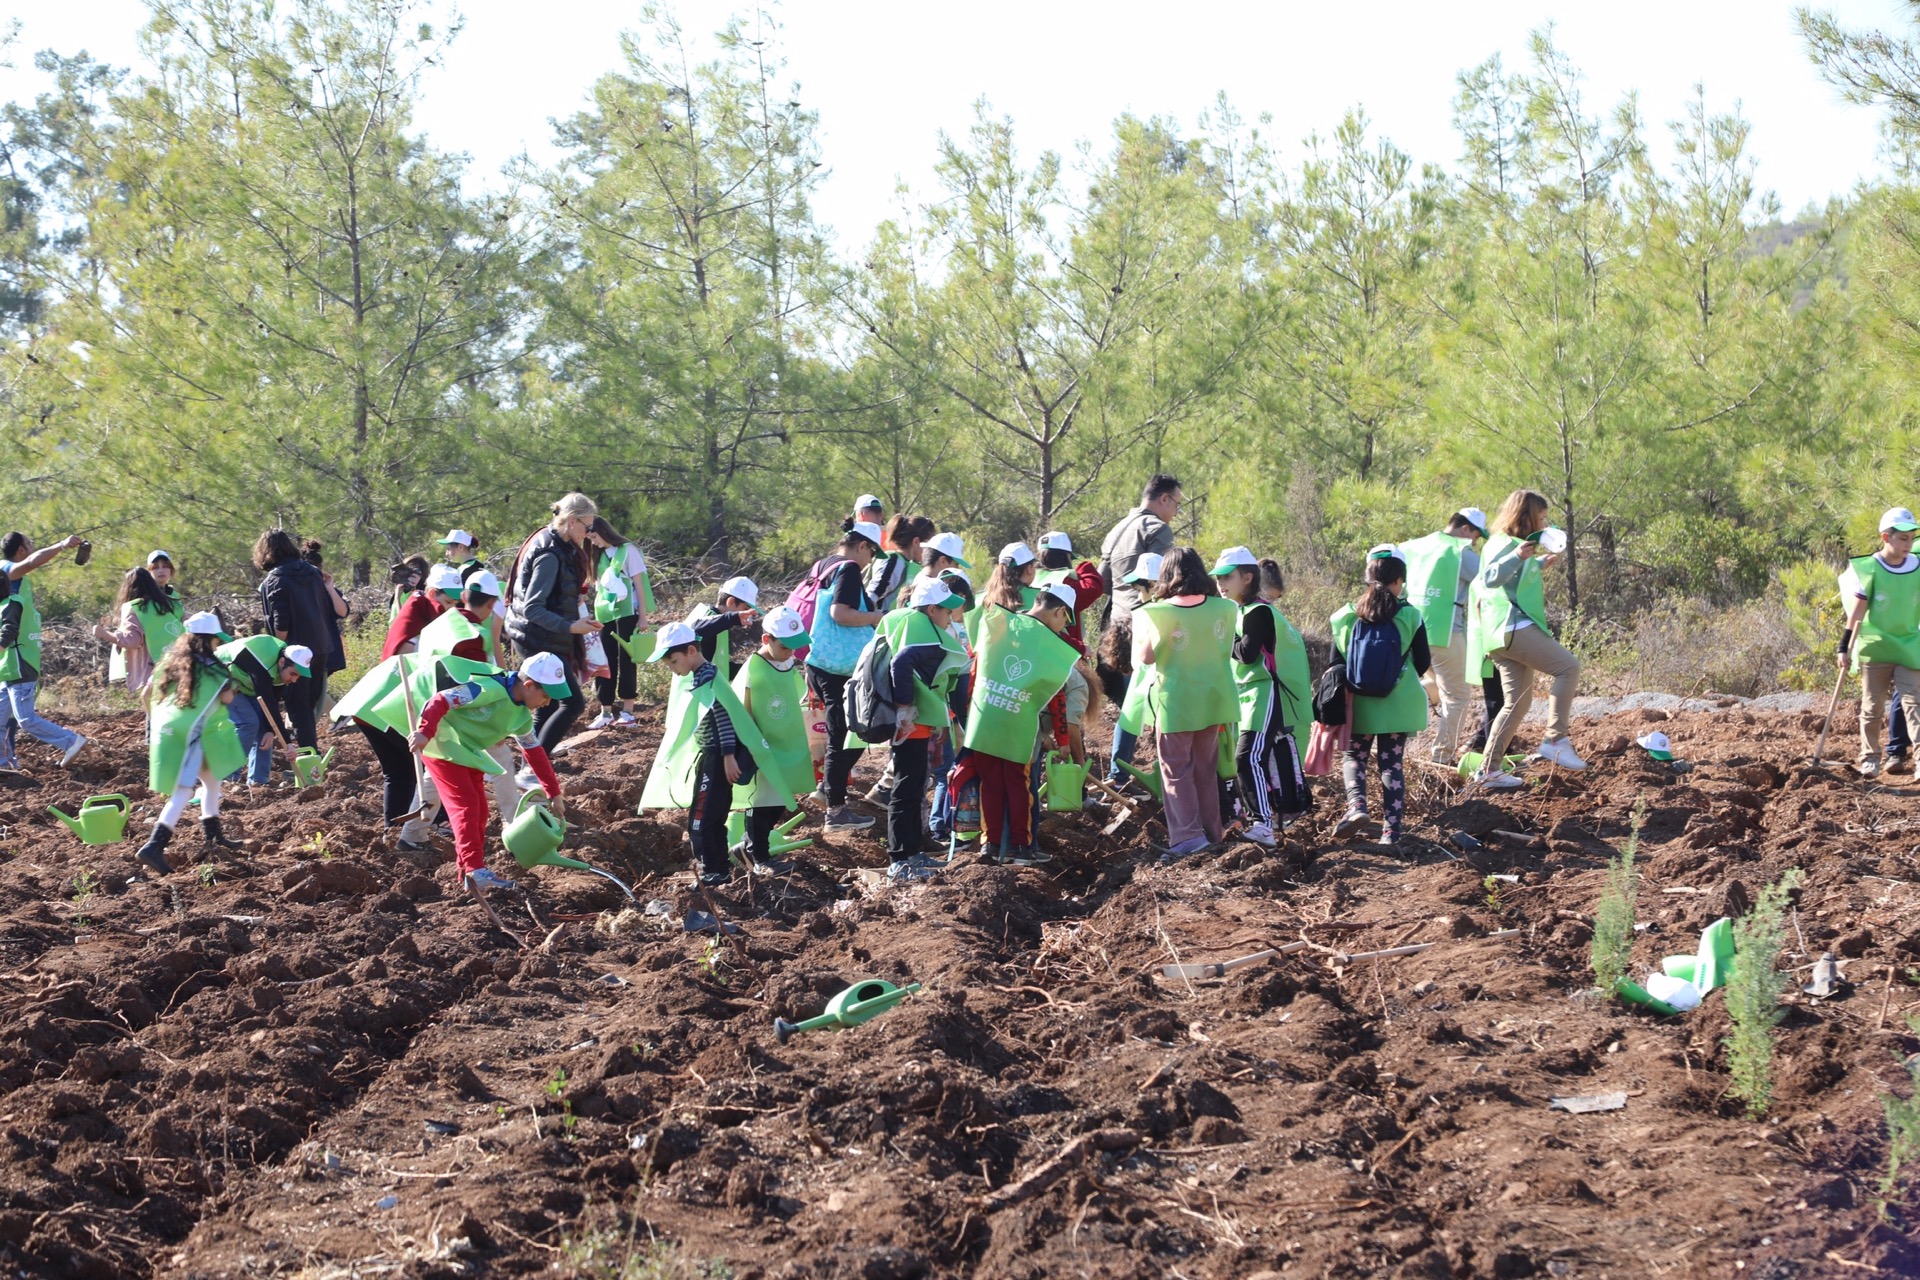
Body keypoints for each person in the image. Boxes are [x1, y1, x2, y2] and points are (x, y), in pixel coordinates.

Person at [395, 652, 569, 893]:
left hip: (468, 753)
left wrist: (554, 793)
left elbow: (535, 753)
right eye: (546, 695)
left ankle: (465, 874)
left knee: (480, 811)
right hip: (443, 746)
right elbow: (440, 700)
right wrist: (425, 732)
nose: (547, 703)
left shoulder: (522, 717)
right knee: (466, 808)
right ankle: (476, 871)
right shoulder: (486, 689)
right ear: (529, 685)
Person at [646, 621, 790, 887]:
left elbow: (723, 715)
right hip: (713, 756)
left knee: (703, 818)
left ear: (690, 650)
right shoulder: (704, 674)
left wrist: (727, 756)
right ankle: (716, 868)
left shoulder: (707, 676)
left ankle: (714, 870)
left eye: (673, 662)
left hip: (717, 758)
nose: (673, 670)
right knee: (707, 815)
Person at [954, 580, 1079, 864]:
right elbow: (1056, 698)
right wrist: (1062, 741)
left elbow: (976, 670)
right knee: (1018, 785)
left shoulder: (1000, 623)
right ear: (1059, 612)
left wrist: (970, 715)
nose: (1064, 627)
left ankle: (991, 844)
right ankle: (1021, 848)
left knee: (990, 785)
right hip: (1017, 726)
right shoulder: (1051, 646)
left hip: (984, 717)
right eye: (1066, 620)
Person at [1471, 490, 1585, 788]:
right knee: (1568, 667)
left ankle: (1488, 771)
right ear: (1527, 516)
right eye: (1542, 517)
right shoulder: (1504, 543)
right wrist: (1519, 555)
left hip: (1500, 635)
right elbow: (1491, 577)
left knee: (1517, 704)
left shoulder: (1517, 546)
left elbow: (1512, 580)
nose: (1545, 523)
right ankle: (1555, 739)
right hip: (1513, 627)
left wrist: (1536, 564)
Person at [131, 613, 252, 877]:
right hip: (191, 736)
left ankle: (214, 837)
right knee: (183, 793)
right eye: (216, 641)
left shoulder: (169, 663)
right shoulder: (214, 668)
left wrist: (157, 720)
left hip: (171, 731)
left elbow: (146, 694)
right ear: (211, 639)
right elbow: (228, 699)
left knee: (211, 781)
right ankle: (153, 846)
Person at [1138, 548, 1238, 858]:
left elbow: (1145, 657)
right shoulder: (1224, 607)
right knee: (1205, 770)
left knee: (1176, 770)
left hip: (1177, 702)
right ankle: (1212, 832)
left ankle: (1187, 838)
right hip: (1213, 699)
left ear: (1166, 575)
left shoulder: (1161, 611)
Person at [1330, 547, 1431, 846]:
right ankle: (1391, 833)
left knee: (1354, 757)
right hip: (1399, 705)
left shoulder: (1344, 617)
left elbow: (1336, 663)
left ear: (1367, 577)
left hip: (1360, 705)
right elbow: (1423, 661)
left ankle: (1357, 807)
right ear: (1399, 580)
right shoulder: (1410, 615)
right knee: (1391, 764)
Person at [877, 575, 971, 880]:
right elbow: (901, 664)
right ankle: (899, 860)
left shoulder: (908, 623)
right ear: (931, 609)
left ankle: (913, 853)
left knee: (915, 787)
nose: (951, 615)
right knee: (906, 789)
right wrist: (904, 708)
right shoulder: (926, 634)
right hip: (909, 726)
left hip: (916, 724)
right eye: (946, 610)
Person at [1098, 475, 1181, 781]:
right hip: (1146, 622)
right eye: (1176, 504)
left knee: (1132, 702)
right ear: (1163, 499)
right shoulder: (1157, 528)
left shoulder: (1117, 529)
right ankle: (1163, 773)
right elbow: (1163, 580)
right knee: (1161, 702)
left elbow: (1103, 581)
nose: (1175, 512)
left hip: (1116, 625)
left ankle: (1120, 773)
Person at [505, 493, 602, 753]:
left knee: (546, 703)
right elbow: (533, 608)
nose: (589, 532)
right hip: (535, 636)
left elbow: (553, 595)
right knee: (572, 703)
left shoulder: (561, 545)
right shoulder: (549, 553)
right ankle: (536, 765)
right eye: (587, 526)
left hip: (544, 634)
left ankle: (532, 761)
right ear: (572, 521)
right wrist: (572, 627)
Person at [805, 521, 886, 831]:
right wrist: (878, 617)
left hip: (818, 660)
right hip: (838, 666)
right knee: (848, 732)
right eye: (872, 553)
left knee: (845, 731)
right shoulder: (850, 568)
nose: (870, 561)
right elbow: (840, 614)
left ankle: (829, 789)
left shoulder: (822, 565)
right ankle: (835, 810)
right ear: (863, 546)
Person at [732, 607, 816, 875]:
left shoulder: (785, 662)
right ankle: (759, 856)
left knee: (780, 798)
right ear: (766, 640)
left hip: (786, 744)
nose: (791, 652)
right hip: (762, 745)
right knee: (761, 801)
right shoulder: (754, 668)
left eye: (794, 647)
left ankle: (749, 848)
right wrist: (752, 744)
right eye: (784, 646)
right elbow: (741, 709)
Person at [1211, 546, 1285, 847]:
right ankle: (1260, 822)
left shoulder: (1258, 611)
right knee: (1246, 759)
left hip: (1262, 692)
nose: (1221, 583)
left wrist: (1218, 636)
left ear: (1248, 577)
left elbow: (1246, 653)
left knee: (1248, 757)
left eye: (1227, 576)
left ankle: (1264, 825)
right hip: (1244, 695)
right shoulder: (1238, 611)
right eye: (1218, 578)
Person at [1400, 508, 1486, 764]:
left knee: (1436, 685)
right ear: (1465, 529)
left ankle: (1398, 734)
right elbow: (1490, 580)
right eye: (1476, 536)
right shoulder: (1461, 551)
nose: (1475, 543)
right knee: (1458, 696)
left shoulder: (1412, 546)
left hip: (1410, 631)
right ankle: (1441, 757)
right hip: (1446, 633)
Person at [0, 530, 90, 770]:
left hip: (17, 658)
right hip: (11, 660)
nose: (31, 548)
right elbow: (31, 562)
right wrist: (61, 545)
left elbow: (8, 628)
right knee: (8, 718)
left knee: (22, 718)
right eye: (29, 544)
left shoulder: (11, 587)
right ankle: (5, 763)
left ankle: (70, 741)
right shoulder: (7, 571)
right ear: (21, 548)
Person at [1842, 506, 1920, 777]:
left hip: (1909, 646)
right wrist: (1844, 647)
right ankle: (1870, 759)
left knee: (1914, 703)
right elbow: (1857, 612)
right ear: (1886, 537)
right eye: (1903, 538)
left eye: (1911, 537)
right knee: (1872, 706)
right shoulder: (1870, 568)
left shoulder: (1917, 566)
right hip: (1876, 647)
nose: (1908, 544)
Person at [254, 528, 334, 750]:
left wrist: (279, 649)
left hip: (295, 650)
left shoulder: (276, 579)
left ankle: (309, 760)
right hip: (321, 646)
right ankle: (310, 755)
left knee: (298, 707)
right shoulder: (312, 572)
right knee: (308, 704)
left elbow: (281, 622)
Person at [215, 629, 313, 787]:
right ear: (282, 662)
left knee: (264, 732)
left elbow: (271, 701)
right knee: (249, 722)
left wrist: (270, 730)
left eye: (298, 676)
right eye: (293, 674)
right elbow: (267, 701)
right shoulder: (260, 660)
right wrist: (287, 742)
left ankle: (259, 783)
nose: (294, 680)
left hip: (243, 684)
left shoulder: (282, 668)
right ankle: (226, 778)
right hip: (220, 679)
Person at [1256, 557, 1313, 819]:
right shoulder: (1266, 615)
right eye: (1271, 597)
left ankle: (1277, 809)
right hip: (1284, 703)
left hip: (1276, 703)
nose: (1273, 603)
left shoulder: (1266, 615)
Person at [1101, 552, 1163, 790]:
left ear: (1155, 584)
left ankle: (1120, 776)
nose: (1138, 591)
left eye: (1141, 586)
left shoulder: (1158, 611)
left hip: (1154, 676)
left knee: (1130, 718)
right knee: (1130, 717)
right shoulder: (1146, 611)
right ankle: (1118, 776)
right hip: (1147, 675)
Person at [585, 517, 653, 729]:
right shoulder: (597, 555)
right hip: (605, 614)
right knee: (605, 661)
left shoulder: (628, 550)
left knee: (626, 660)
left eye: (594, 537)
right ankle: (605, 711)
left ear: (603, 532)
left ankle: (628, 711)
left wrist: (642, 616)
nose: (593, 542)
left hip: (627, 613)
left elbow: (639, 585)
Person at [94, 566, 184, 696]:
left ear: (128, 587)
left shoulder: (136, 608)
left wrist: (103, 634)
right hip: (180, 661)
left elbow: (132, 641)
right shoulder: (168, 603)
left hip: (155, 668)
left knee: (154, 706)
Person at [300, 539, 352, 719]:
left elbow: (343, 611)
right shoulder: (296, 590)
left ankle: (340, 716)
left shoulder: (326, 589)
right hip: (306, 650)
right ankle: (340, 715)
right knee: (305, 690)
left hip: (324, 649)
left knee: (315, 691)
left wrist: (330, 588)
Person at [1034, 531, 1106, 647]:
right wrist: (1084, 567)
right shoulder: (1065, 582)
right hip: (1064, 650)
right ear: (1065, 557)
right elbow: (1094, 587)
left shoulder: (1029, 578)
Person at [869, 515, 935, 612]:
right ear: (916, 542)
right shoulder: (893, 561)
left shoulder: (909, 563)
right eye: (928, 546)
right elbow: (871, 596)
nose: (930, 551)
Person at [381, 555, 442, 659]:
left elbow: (404, 621)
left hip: (410, 640)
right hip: (395, 635)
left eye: (417, 573)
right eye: (409, 570)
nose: (412, 575)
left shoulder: (419, 595)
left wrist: (398, 597)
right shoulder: (402, 589)